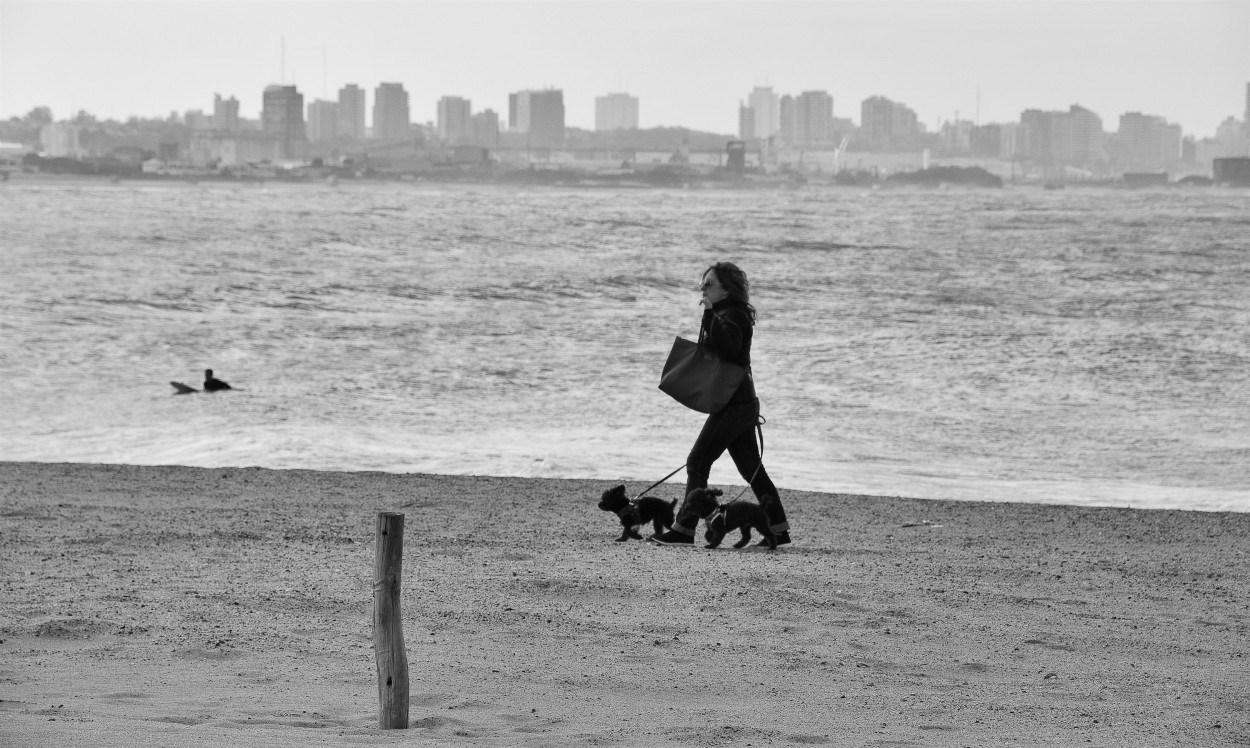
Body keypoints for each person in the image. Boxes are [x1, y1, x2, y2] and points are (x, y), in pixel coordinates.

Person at [650, 262, 790, 546]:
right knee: (752, 470)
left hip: (735, 404)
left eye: (709, 284)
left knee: (698, 461)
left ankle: (684, 529)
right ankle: (778, 530)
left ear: (726, 288)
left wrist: (710, 314)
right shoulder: (727, 312)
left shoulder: (733, 314)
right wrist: (710, 314)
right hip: (739, 401)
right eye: (703, 284)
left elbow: (728, 349)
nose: (703, 289)